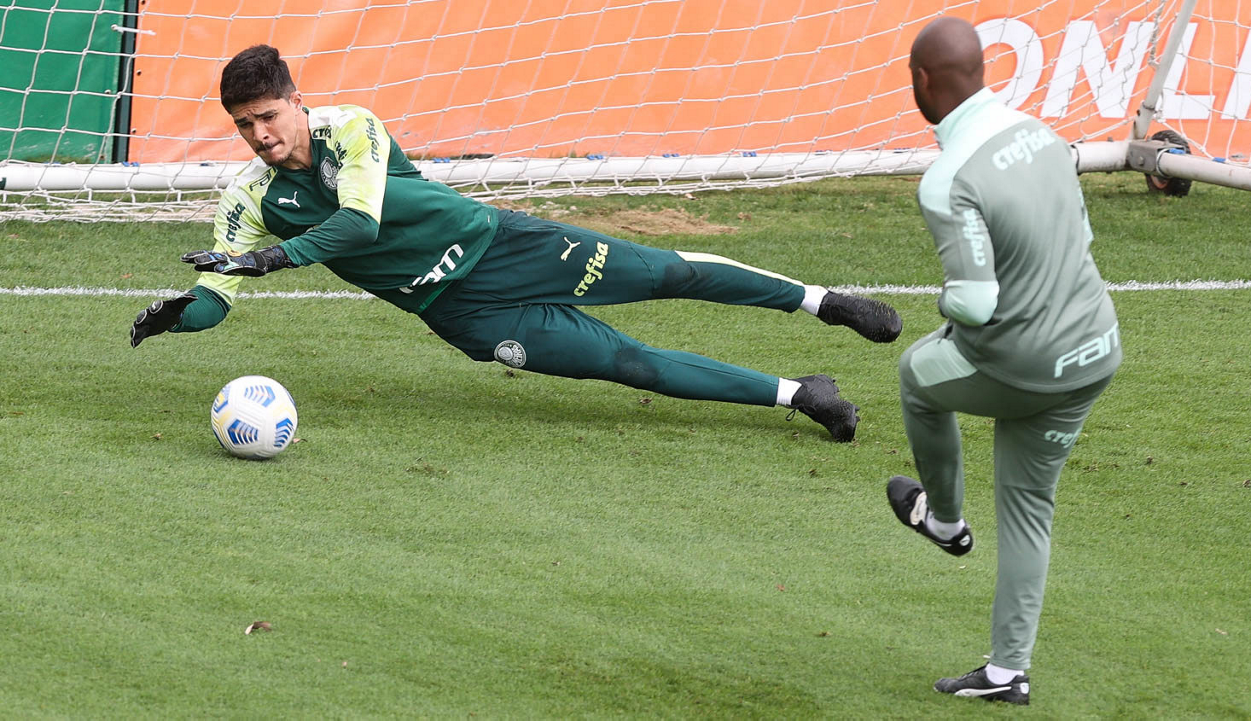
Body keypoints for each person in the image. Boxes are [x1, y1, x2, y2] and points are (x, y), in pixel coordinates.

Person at [130, 44, 903, 442]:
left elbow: (360, 222)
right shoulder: (249, 199)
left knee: (669, 272)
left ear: (296, 102)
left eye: (268, 116)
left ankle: (823, 303)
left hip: (506, 246)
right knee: (628, 364)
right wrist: (183, 314)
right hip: (464, 313)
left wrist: (273, 257)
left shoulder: (351, 128)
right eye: (244, 125)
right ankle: (803, 394)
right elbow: (217, 294)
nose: (260, 135)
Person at [884, 18, 1121, 705]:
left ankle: (944, 521)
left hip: (1025, 367)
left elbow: (976, 303)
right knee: (1028, 508)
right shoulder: (1042, 134)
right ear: (982, 70)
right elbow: (1081, 236)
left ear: (921, 81)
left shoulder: (947, 179)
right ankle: (1005, 672)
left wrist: (944, 303)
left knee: (917, 372)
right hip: (1096, 351)